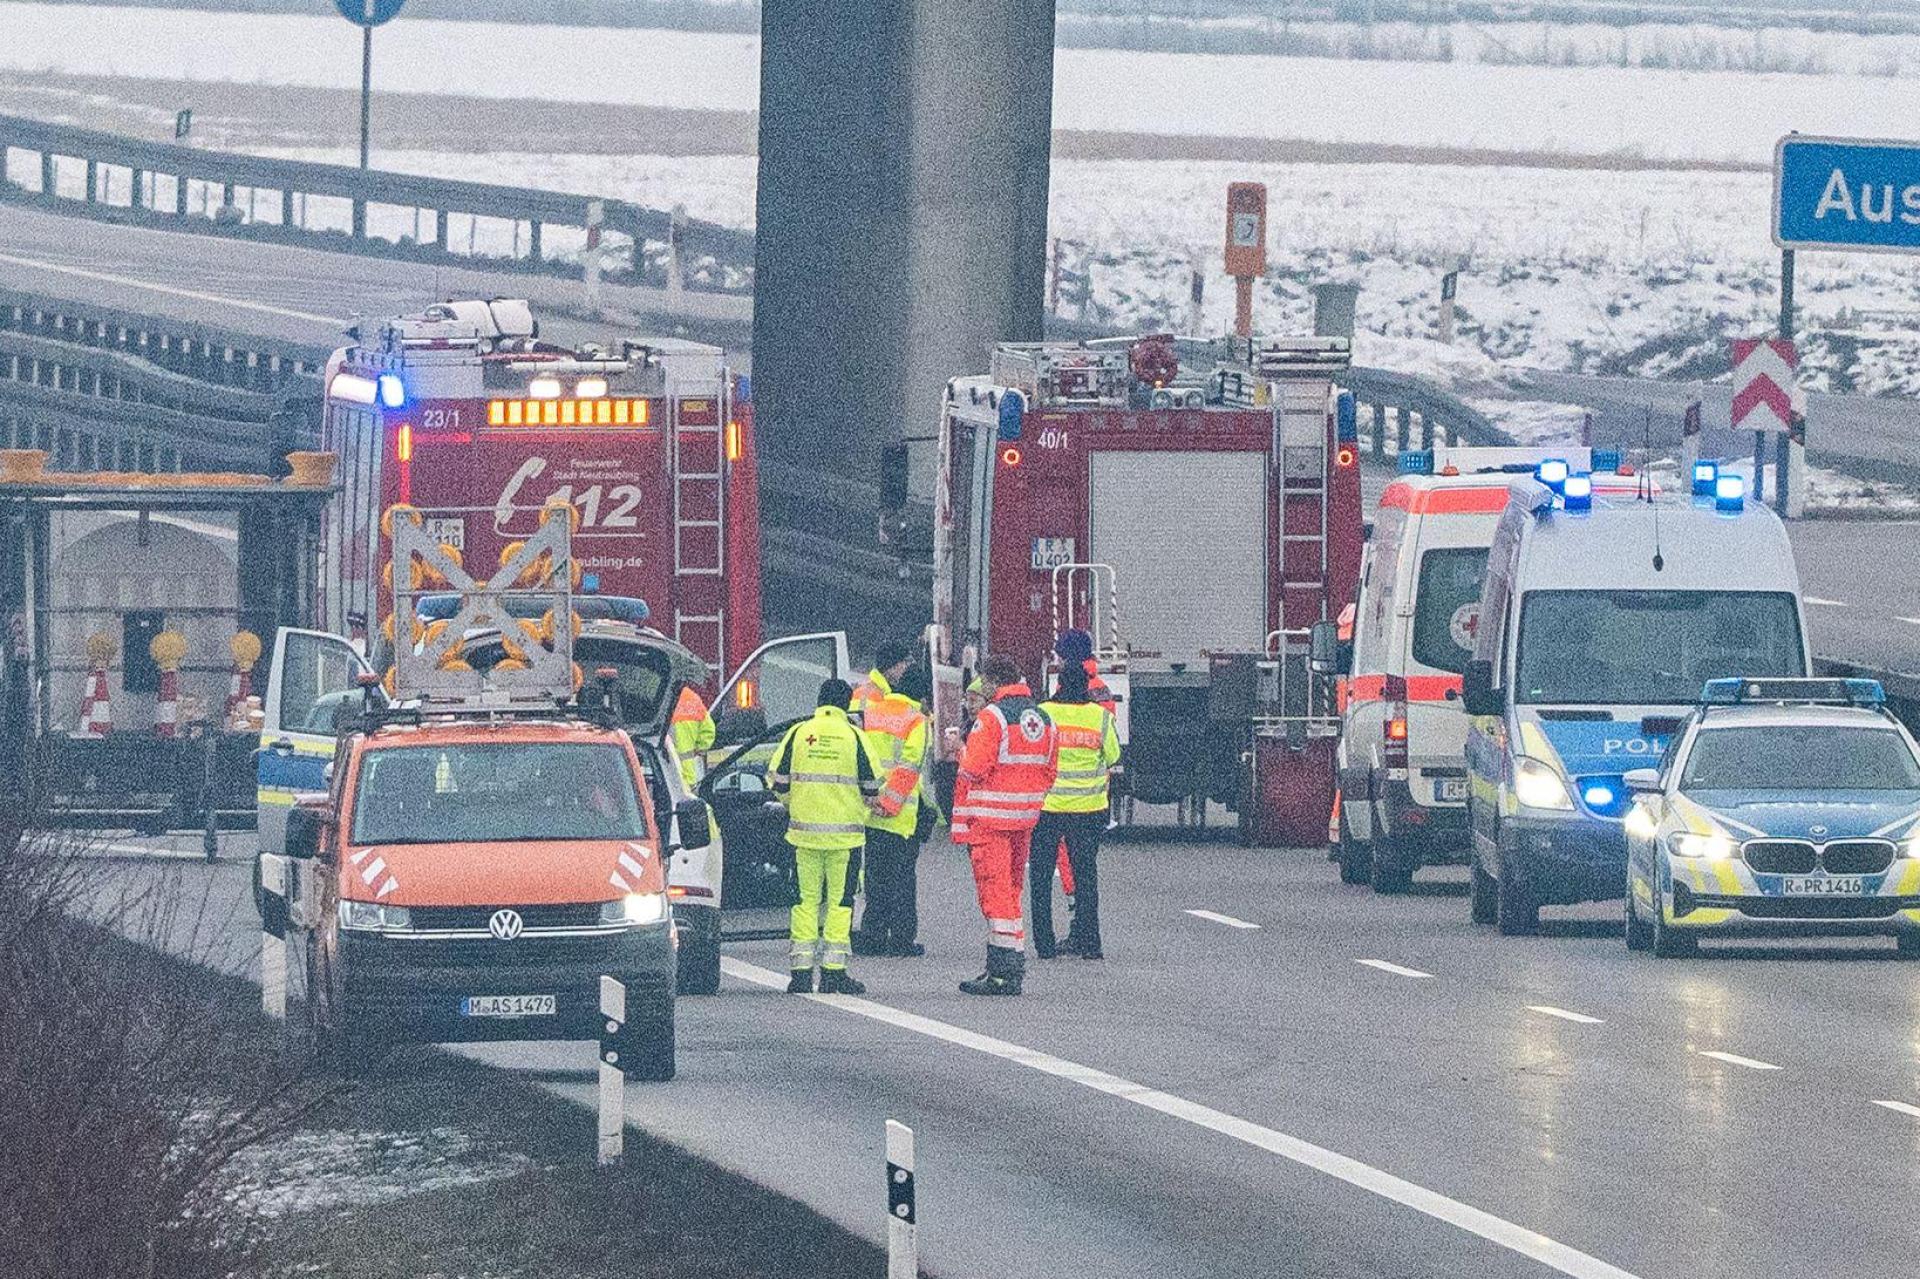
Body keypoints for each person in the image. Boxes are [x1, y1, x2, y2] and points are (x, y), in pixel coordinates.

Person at [950, 654, 1057, 996]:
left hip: (991, 821)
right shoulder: (1043, 718)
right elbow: (1050, 771)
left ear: (994, 682)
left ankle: (1003, 971)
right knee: (1011, 893)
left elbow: (973, 769)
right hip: (1025, 819)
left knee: (996, 898)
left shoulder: (992, 717)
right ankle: (1006, 966)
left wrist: (960, 751)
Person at [768, 678, 882, 995]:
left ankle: (801, 973)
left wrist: (798, 804)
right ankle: (833, 972)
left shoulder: (799, 733)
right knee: (840, 903)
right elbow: (873, 786)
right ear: (846, 705)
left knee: (804, 903)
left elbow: (777, 782)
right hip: (845, 840)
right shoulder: (855, 736)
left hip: (803, 837)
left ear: (819, 701)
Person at [1031, 662, 1121, 959]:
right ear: (1086, 687)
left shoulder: (1044, 714)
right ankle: (1090, 944)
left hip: (1047, 808)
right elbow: (1113, 755)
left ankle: (1044, 946)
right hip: (1088, 809)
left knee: (1041, 877)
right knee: (1086, 877)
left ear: (1058, 685)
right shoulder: (1100, 717)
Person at [852, 664, 932, 957]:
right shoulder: (916, 720)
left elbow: (860, 756)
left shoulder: (872, 713)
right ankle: (901, 939)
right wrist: (891, 803)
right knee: (902, 880)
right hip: (899, 817)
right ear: (922, 695)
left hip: (871, 811)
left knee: (875, 877)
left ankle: (872, 935)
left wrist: (871, 799)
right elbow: (910, 768)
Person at [851, 638, 915, 720]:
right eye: (903, 663)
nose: (905, 668)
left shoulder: (880, 691)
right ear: (893, 667)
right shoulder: (868, 696)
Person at [670, 685, 717, 788]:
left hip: (667, 776)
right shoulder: (692, 698)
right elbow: (709, 731)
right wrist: (698, 749)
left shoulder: (661, 699)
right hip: (690, 776)